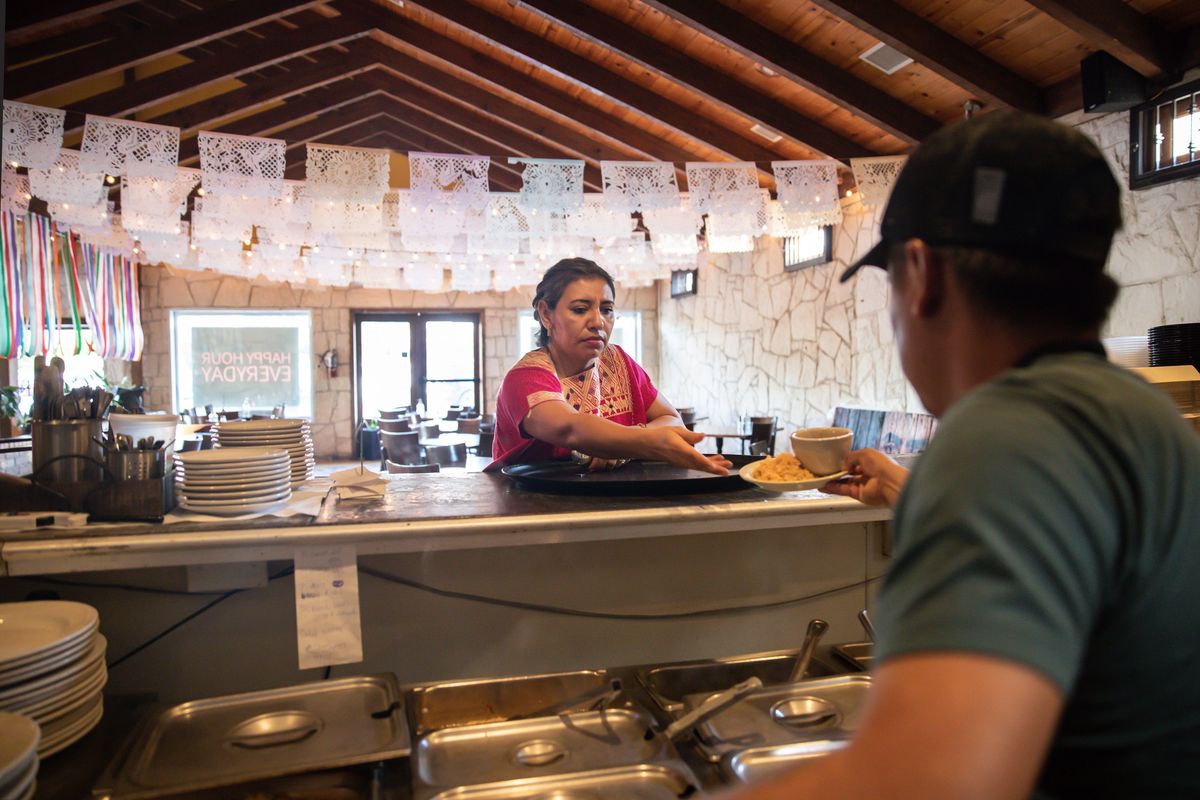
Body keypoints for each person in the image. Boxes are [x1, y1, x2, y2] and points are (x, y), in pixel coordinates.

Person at [736, 111, 1200, 799]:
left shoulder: (1002, 437)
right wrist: (909, 489)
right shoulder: (1141, 417)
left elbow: (929, 782)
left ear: (920, 273)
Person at [488, 257, 730, 474]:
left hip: (614, 507)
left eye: (607, 309)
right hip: (535, 510)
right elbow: (568, 429)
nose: (598, 322)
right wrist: (642, 441)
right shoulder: (526, 378)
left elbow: (671, 419)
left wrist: (620, 446)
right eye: (580, 310)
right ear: (546, 315)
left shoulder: (618, 361)